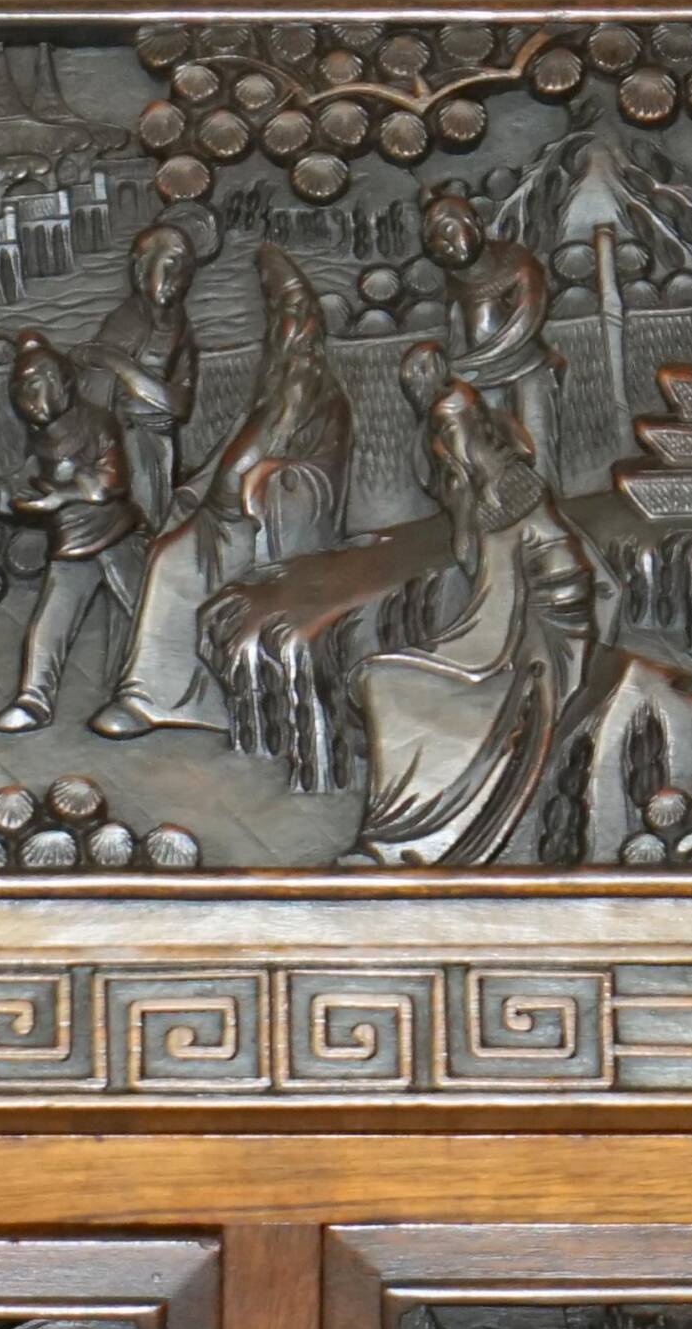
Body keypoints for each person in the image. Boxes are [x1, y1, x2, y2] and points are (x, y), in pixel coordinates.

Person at [94, 244, 352, 740]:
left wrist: (270, 480)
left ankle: (185, 703)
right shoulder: (270, 394)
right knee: (167, 558)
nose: (289, 330)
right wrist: (198, 491)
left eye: (298, 318)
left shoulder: (326, 402)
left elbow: (324, 478)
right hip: (219, 522)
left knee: (180, 570)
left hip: (263, 529)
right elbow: (227, 454)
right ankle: (154, 696)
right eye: (280, 318)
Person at [347, 382, 604, 866]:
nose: (443, 441)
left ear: (476, 429)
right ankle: (392, 831)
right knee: (390, 677)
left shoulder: (510, 488)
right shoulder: (477, 486)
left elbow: (500, 594)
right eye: (439, 430)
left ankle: (407, 833)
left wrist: (460, 656)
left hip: (542, 633)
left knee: (393, 685)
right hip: (513, 618)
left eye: (450, 428)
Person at [0, 329, 140, 734]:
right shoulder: (41, 435)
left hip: (114, 537)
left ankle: (171, 689)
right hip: (72, 545)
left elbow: (112, 481)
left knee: (147, 614)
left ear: (64, 384)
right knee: (48, 627)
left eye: (38, 383)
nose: (29, 396)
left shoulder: (96, 423)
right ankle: (32, 703)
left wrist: (63, 495)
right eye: (22, 387)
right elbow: (29, 478)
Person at [75, 221, 202, 547]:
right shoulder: (126, 322)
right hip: (126, 441)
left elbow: (181, 404)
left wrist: (120, 365)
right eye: (169, 265)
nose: (178, 280)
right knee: (142, 522)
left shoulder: (180, 325)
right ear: (141, 268)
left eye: (186, 270)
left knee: (159, 518)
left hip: (161, 440)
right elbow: (95, 399)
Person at [421, 183, 562, 471]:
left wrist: (470, 363)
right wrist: (456, 370)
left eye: (449, 229)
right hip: (481, 380)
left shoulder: (516, 262)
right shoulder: (454, 282)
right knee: (493, 457)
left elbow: (526, 320)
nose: (444, 242)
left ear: (475, 224)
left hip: (527, 368)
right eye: (434, 239)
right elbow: (457, 335)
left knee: (538, 448)